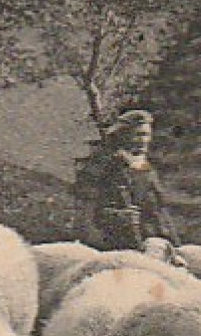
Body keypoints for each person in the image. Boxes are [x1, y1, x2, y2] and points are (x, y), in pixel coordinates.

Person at [74, 108, 180, 252]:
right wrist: (118, 216)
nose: (144, 140)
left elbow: (159, 211)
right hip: (109, 244)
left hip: (145, 243)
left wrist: (175, 245)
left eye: (147, 135)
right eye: (138, 135)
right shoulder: (102, 167)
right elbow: (86, 212)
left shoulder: (147, 170)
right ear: (124, 135)